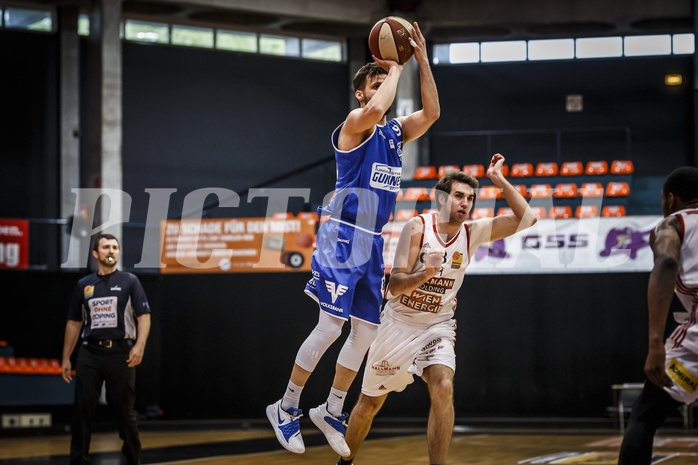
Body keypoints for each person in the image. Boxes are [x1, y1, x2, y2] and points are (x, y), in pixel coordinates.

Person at [266, 20, 440, 456]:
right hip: (341, 235)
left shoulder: (395, 133)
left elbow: (433, 113)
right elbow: (380, 109)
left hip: (372, 241)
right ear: (361, 93)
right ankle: (286, 407)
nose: (384, 85)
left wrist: (418, 59)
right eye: (375, 82)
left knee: (365, 332)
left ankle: (331, 409)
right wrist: (395, 68)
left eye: (385, 79)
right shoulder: (354, 124)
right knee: (330, 326)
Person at [337, 154, 537, 465]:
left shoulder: (472, 232)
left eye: (470, 198)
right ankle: (344, 462)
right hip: (399, 323)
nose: (465, 203)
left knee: (443, 385)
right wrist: (425, 275)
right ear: (442, 198)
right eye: (459, 195)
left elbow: (528, 219)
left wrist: (498, 180)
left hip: (437, 325)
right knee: (369, 403)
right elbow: (394, 286)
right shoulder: (417, 227)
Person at [618, 166, 698, 465]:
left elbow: (665, 263)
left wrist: (655, 345)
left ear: (671, 198)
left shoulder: (673, 224)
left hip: (694, 338)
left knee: (645, 416)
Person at [61, 233, 152, 465]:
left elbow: (144, 316)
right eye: (105, 247)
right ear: (96, 254)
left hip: (121, 353)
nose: (111, 250)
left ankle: (133, 458)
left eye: (114, 247)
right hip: (90, 352)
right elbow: (74, 322)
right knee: (82, 411)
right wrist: (66, 358)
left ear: (118, 252)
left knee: (124, 413)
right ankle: (78, 460)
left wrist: (139, 345)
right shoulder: (84, 285)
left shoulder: (130, 281)